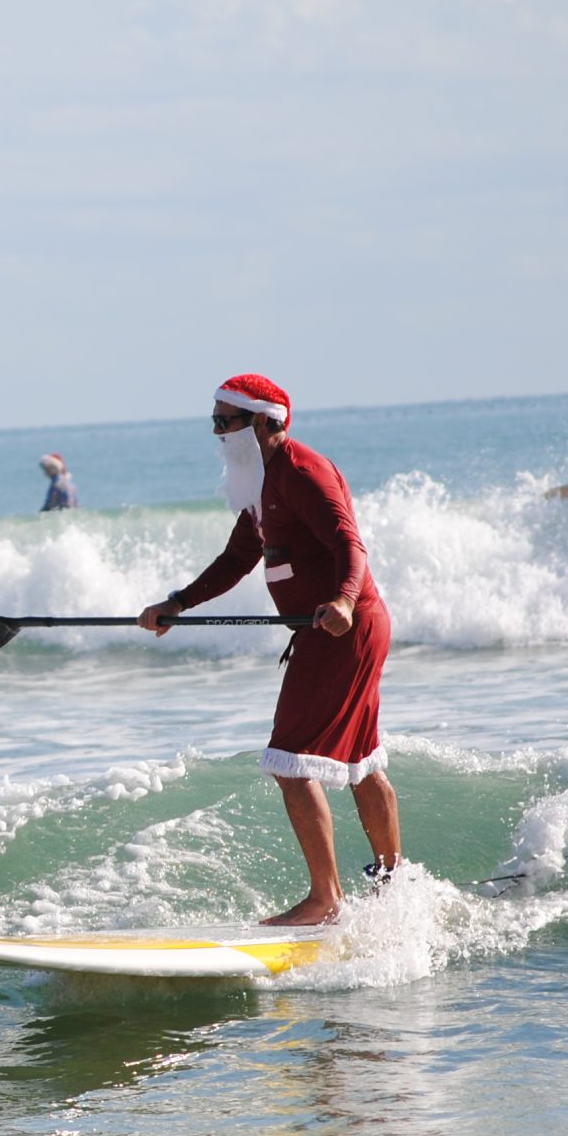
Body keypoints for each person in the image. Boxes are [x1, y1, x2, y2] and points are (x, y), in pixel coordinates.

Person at [138, 374, 398, 926]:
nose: (215, 432)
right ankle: (392, 885)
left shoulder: (303, 472)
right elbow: (238, 559)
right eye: (212, 421)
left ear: (260, 421)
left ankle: (326, 900)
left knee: (288, 761)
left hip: (344, 629)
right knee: (359, 761)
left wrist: (345, 601)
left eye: (223, 421)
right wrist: (177, 603)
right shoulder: (260, 481)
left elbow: (349, 543)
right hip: (332, 630)